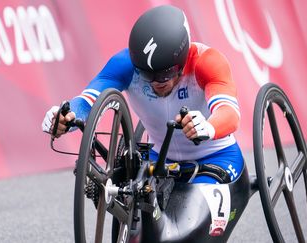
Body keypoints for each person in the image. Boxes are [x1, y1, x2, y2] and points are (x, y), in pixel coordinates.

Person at [42, 5, 243, 184]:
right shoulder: (125, 64)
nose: (157, 82)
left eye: (165, 74)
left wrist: (208, 127)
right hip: (160, 160)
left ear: (182, 61)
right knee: (141, 219)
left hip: (216, 157)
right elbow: (87, 102)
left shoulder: (207, 62)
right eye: (147, 74)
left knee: (194, 218)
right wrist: (66, 117)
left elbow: (229, 112)